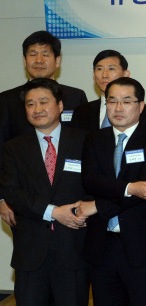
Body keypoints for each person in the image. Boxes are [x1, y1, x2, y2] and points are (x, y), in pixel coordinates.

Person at [80, 77, 146, 306]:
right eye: (112, 101)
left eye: (126, 101)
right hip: (102, 246)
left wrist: (99, 206)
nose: (118, 108)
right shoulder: (94, 139)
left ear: (141, 106)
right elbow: (91, 181)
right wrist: (131, 187)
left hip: (143, 247)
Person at [0, 78, 90, 305]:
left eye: (43, 102)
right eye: (30, 104)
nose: (37, 109)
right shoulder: (13, 148)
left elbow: (95, 185)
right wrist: (53, 212)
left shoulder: (85, 142)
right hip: (30, 253)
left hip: (74, 250)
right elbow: (12, 191)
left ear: (60, 106)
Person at [0, 30, 88, 227]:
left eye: (45, 54)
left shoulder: (75, 96)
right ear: (24, 60)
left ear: (57, 61)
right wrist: (2, 199)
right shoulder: (6, 100)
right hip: (25, 198)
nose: (38, 60)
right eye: (33, 54)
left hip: (70, 194)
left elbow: (86, 145)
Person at [70, 50, 146, 132]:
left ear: (125, 74)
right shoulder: (81, 112)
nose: (104, 75)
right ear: (94, 75)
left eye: (111, 69)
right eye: (100, 69)